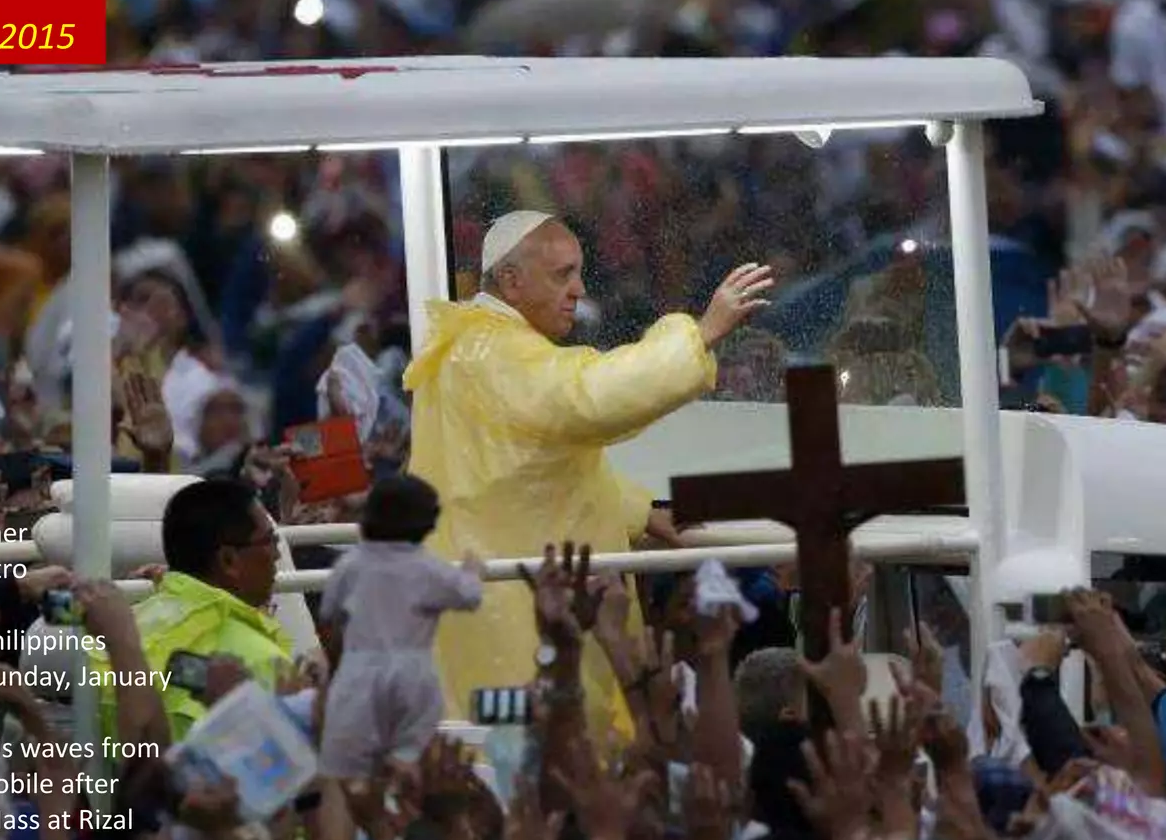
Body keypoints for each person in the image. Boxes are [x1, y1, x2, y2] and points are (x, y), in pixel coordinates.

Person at [403, 210, 773, 736]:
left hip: (494, 603)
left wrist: (641, 511)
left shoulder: (467, 345)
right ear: (510, 281)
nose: (578, 289)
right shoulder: (494, 352)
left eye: (578, 272)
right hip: (518, 614)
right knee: (544, 762)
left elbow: (529, 467)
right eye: (562, 274)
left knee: (505, 751)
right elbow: (588, 397)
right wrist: (702, 333)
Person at [317, 473, 485, 781]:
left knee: (348, 773)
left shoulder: (351, 564)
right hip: (413, 672)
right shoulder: (427, 568)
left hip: (358, 671)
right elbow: (469, 597)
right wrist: (474, 569)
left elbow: (329, 615)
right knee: (411, 764)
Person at [112, 477, 290, 739]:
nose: (277, 554)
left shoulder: (125, 634)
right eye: (270, 540)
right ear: (229, 560)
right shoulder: (259, 658)